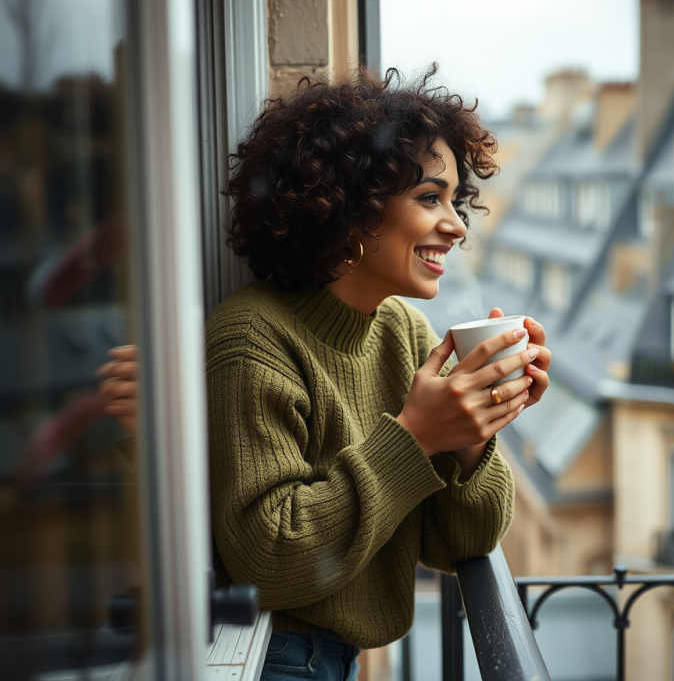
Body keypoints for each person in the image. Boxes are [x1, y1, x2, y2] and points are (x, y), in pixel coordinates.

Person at [98, 67, 550, 681]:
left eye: (454, 200)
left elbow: (460, 545)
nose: (458, 224)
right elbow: (270, 557)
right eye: (429, 198)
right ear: (351, 210)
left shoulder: (404, 334)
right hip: (267, 660)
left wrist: (473, 432)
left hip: (334, 663)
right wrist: (414, 437)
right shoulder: (251, 338)